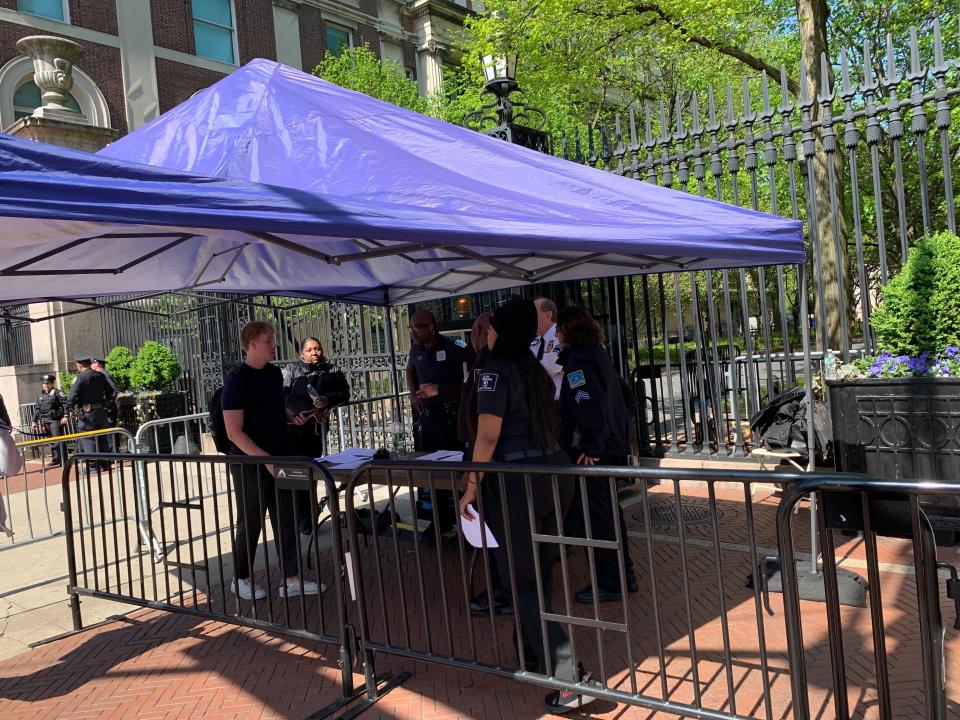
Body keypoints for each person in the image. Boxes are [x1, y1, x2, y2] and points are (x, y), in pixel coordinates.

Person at [458, 297, 594, 714]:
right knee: (541, 573)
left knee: (524, 581)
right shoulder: (533, 367)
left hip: (518, 483)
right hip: (553, 476)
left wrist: (470, 486)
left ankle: (572, 679)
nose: (488, 332)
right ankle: (532, 653)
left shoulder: (493, 371)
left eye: (493, 326)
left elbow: (486, 436)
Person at [222, 321, 323, 600]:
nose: (274, 345)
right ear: (252, 344)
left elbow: (275, 406)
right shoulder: (237, 379)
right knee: (250, 520)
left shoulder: (273, 374)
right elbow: (234, 431)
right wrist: (265, 460)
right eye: (268, 340)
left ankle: (290, 578)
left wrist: (292, 417)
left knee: (286, 515)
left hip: (280, 455)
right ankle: (240, 578)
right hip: (248, 463)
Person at [556, 306, 637, 604]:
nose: (556, 335)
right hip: (610, 447)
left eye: (559, 329)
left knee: (599, 517)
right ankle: (622, 574)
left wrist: (591, 446)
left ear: (568, 330)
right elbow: (625, 398)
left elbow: (586, 404)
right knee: (608, 513)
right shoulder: (598, 355)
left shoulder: (578, 363)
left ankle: (610, 582)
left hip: (596, 452)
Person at [406, 309, 473, 539]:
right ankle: (440, 520)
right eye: (411, 327)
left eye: (418, 327)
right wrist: (413, 395)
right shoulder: (415, 348)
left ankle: (465, 521)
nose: (413, 332)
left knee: (454, 471)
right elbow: (409, 369)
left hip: (450, 417)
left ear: (431, 327)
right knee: (432, 471)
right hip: (428, 418)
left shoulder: (454, 345)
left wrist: (444, 391)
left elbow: (476, 366)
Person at [282, 337, 350, 534]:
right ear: (301, 353)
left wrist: (327, 401)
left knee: (312, 474)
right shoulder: (291, 370)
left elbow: (344, 394)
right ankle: (300, 519)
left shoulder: (332, 369)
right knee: (296, 476)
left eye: (317, 348)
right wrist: (308, 409)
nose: (314, 353)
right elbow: (282, 395)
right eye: (309, 350)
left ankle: (309, 517)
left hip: (316, 431)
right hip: (293, 430)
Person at [67, 354, 116, 467]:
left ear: (79, 365)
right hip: (101, 412)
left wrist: (72, 408)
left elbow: (71, 397)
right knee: (103, 437)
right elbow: (111, 392)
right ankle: (105, 463)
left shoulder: (80, 377)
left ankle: (94, 465)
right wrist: (105, 403)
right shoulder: (100, 375)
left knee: (88, 438)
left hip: (87, 413)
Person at [32, 374, 68, 466]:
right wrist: (34, 421)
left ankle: (63, 459)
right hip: (45, 420)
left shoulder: (58, 392)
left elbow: (65, 404)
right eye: (44, 384)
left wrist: (65, 416)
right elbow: (37, 409)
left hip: (55, 420)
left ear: (52, 384)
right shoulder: (41, 395)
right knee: (51, 441)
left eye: (47, 383)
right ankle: (55, 459)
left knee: (58, 439)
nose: (45, 385)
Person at [531, 297, 563, 400]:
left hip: (558, 402)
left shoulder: (560, 337)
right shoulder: (535, 341)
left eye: (534, 313)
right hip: (541, 401)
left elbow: (551, 368)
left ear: (548, 315)